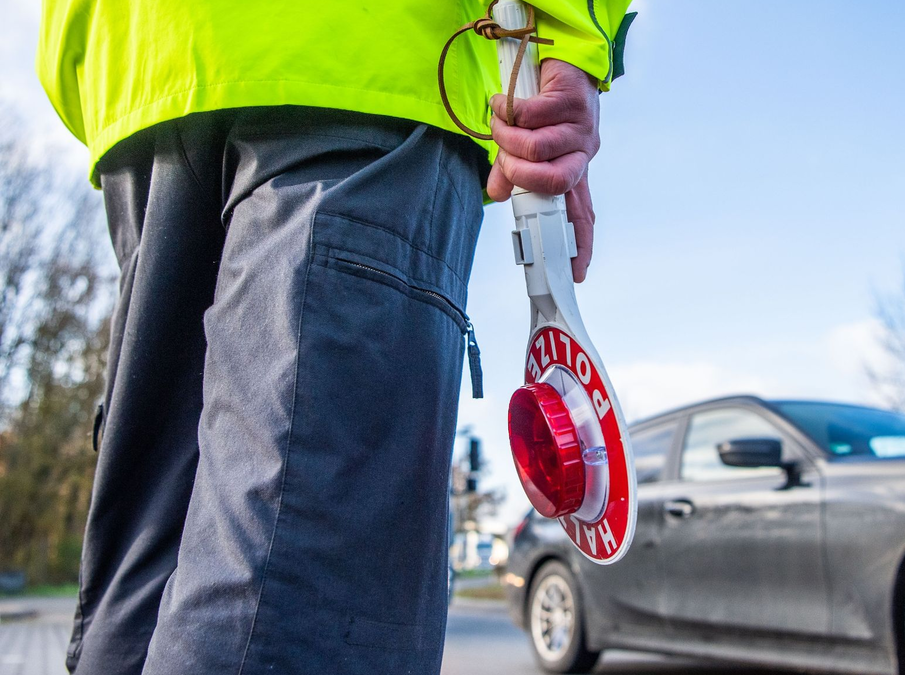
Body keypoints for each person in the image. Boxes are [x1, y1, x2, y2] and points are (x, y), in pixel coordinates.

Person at [36, 1, 634, 673]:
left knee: (143, 588)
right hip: (371, 63)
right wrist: (570, 43)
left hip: (142, 69)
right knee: (304, 612)